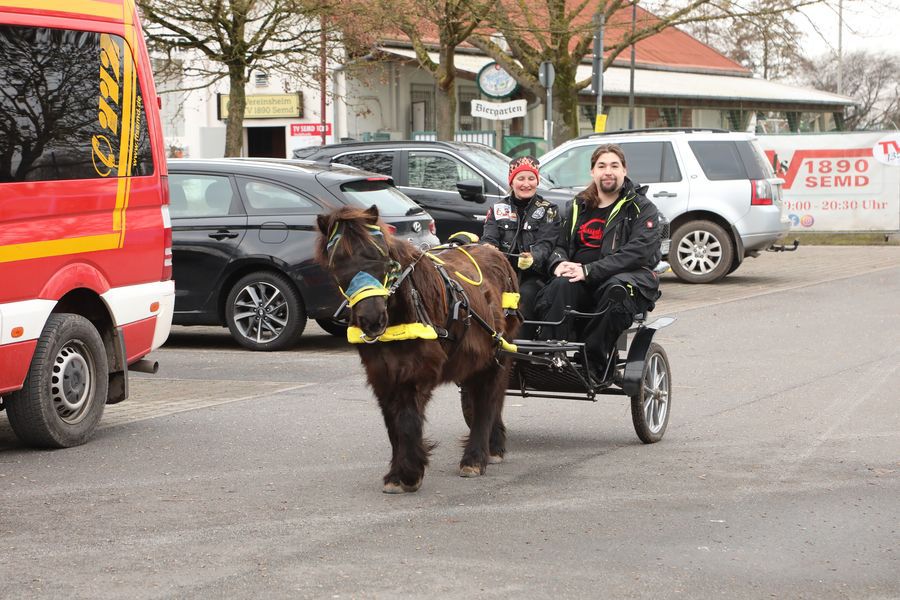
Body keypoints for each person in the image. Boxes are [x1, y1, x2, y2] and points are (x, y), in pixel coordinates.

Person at [536, 144, 662, 375]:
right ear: (593, 172)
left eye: (614, 166)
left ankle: (594, 363)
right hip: (581, 279)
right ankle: (550, 355)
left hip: (625, 279)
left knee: (615, 289)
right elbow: (559, 244)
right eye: (602, 166)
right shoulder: (578, 206)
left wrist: (589, 270)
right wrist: (559, 262)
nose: (608, 172)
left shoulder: (642, 208)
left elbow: (638, 252)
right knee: (561, 283)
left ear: (624, 170)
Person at [481, 155, 561, 322]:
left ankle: (521, 338)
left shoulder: (549, 210)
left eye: (531, 178)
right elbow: (489, 239)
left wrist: (533, 256)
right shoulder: (497, 209)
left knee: (525, 296)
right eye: (521, 178)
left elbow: (546, 244)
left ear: (537, 181)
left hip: (535, 275)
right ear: (512, 182)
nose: (526, 184)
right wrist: (489, 248)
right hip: (501, 273)